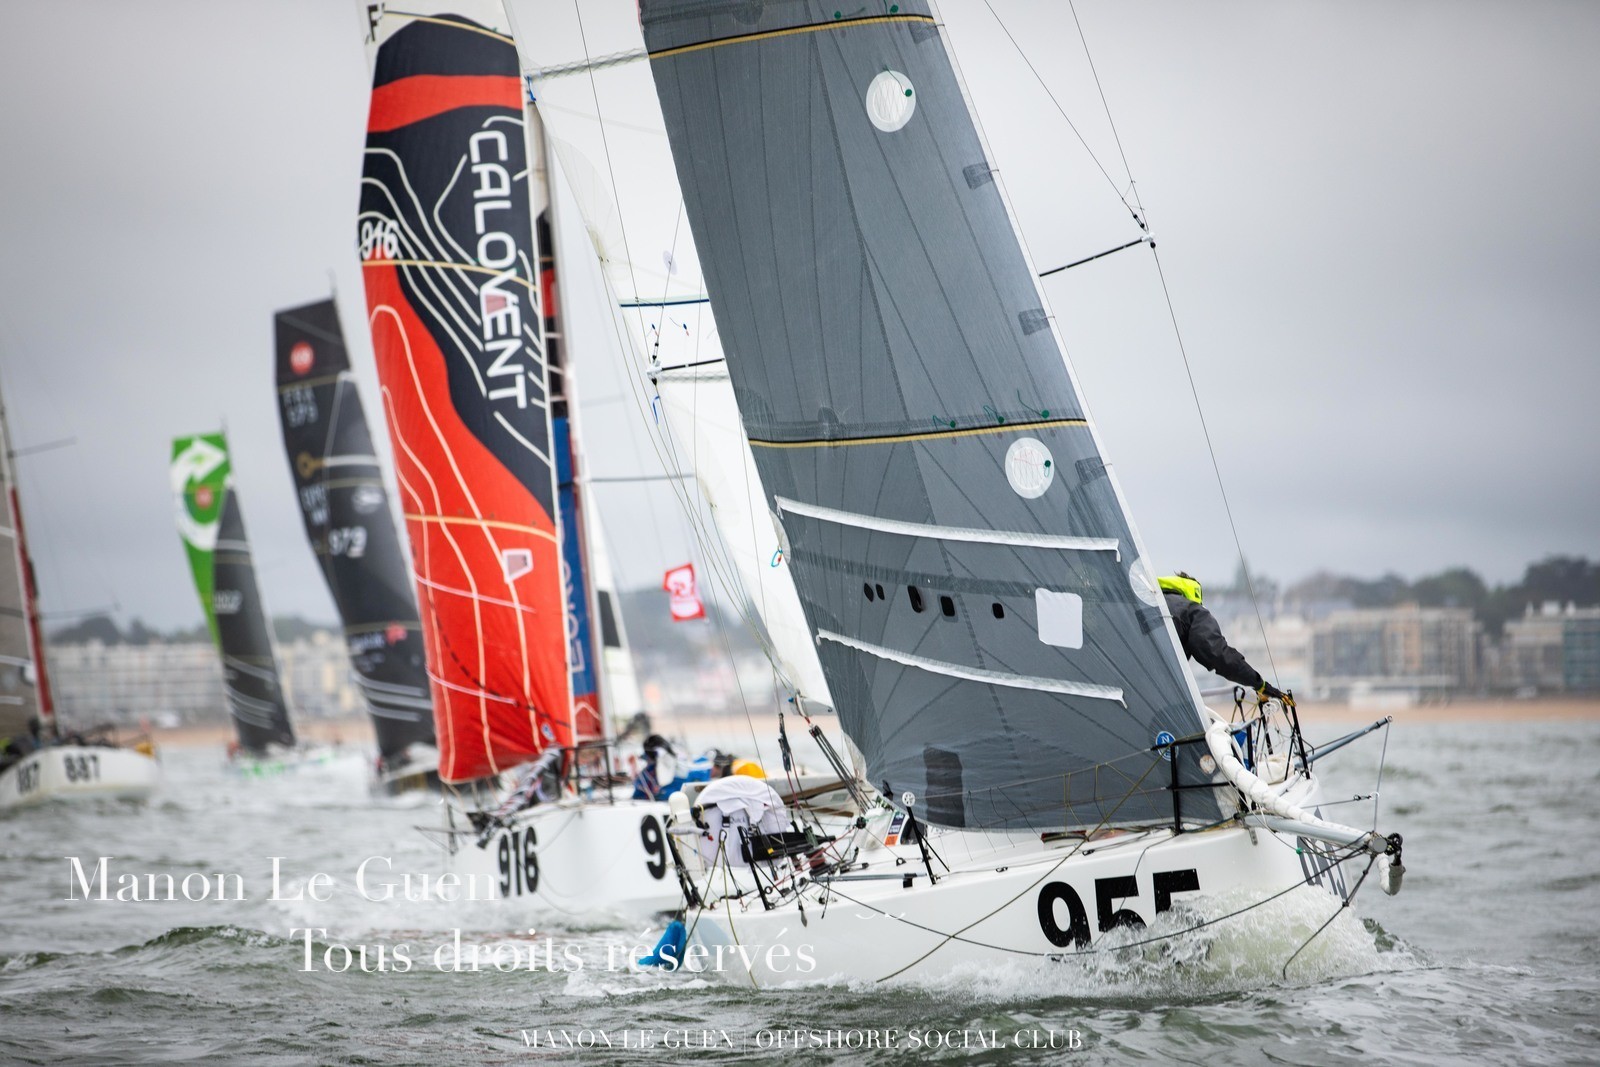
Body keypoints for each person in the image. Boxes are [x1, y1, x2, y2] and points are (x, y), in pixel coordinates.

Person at [1159, 572, 1284, 701]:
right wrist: (1259, 684)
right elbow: (1219, 656)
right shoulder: (1191, 610)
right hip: (1159, 695)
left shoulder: (1149, 605)